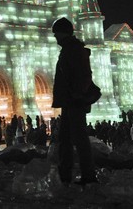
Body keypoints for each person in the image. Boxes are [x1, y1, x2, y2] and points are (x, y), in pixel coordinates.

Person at [51, 17, 98, 186]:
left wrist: (78, 94)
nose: (55, 38)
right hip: (68, 101)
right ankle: (65, 174)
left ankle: (87, 176)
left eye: (56, 34)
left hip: (73, 101)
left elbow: (84, 75)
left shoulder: (74, 50)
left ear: (62, 33)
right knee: (66, 139)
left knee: (79, 139)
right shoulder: (69, 49)